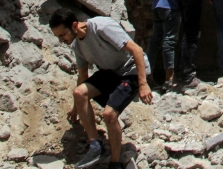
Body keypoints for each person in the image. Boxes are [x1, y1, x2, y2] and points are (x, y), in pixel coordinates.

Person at [50, 9, 152, 169]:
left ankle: (115, 162)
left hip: (130, 71)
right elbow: (82, 76)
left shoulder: (102, 27)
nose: (61, 39)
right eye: (58, 36)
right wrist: (76, 107)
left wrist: (143, 84)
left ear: (74, 25)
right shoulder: (78, 46)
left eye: (62, 35)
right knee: (79, 92)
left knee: (109, 115)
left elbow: (137, 50)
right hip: (111, 72)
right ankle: (95, 145)